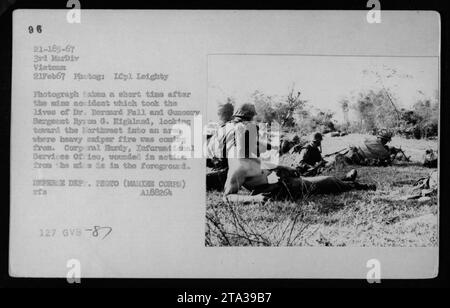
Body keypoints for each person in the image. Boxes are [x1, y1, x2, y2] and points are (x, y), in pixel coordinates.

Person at [221, 103, 376, 203]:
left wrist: (285, 168)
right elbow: (227, 197)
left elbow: (261, 167)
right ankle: (355, 186)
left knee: (319, 181)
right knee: (327, 181)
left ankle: (344, 181)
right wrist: (254, 199)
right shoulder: (238, 165)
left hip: (282, 182)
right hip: (281, 190)